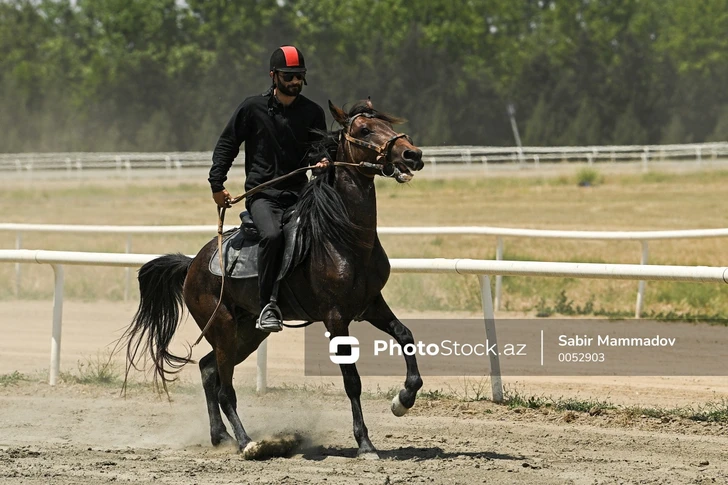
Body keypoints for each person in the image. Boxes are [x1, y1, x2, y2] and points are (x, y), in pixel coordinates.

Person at [209, 45, 330, 333]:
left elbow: (318, 150)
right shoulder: (251, 108)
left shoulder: (313, 112)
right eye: (289, 76)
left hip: (301, 194)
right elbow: (227, 144)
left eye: (299, 76)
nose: (295, 82)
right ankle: (267, 305)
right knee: (273, 235)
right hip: (263, 197)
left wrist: (322, 160)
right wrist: (217, 184)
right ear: (273, 76)